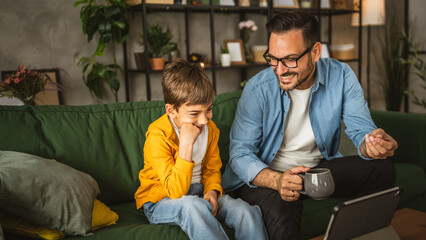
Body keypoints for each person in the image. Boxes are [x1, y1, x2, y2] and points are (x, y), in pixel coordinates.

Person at [221, 11, 398, 240]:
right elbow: (240, 154)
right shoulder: (257, 89)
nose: (280, 69)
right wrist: (277, 180)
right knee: (284, 206)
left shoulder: (341, 75)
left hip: (314, 172)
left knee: (382, 169)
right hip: (265, 179)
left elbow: (361, 131)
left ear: (315, 52)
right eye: (273, 58)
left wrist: (372, 144)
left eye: (290, 59)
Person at [134, 59, 268, 240]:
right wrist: (186, 144)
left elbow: (212, 170)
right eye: (194, 113)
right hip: (162, 201)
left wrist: (212, 191)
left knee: (245, 211)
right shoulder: (158, 135)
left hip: (199, 192)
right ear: (171, 111)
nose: (204, 120)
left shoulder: (210, 130)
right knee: (192, 206)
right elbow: (176, 192)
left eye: (209, 110)